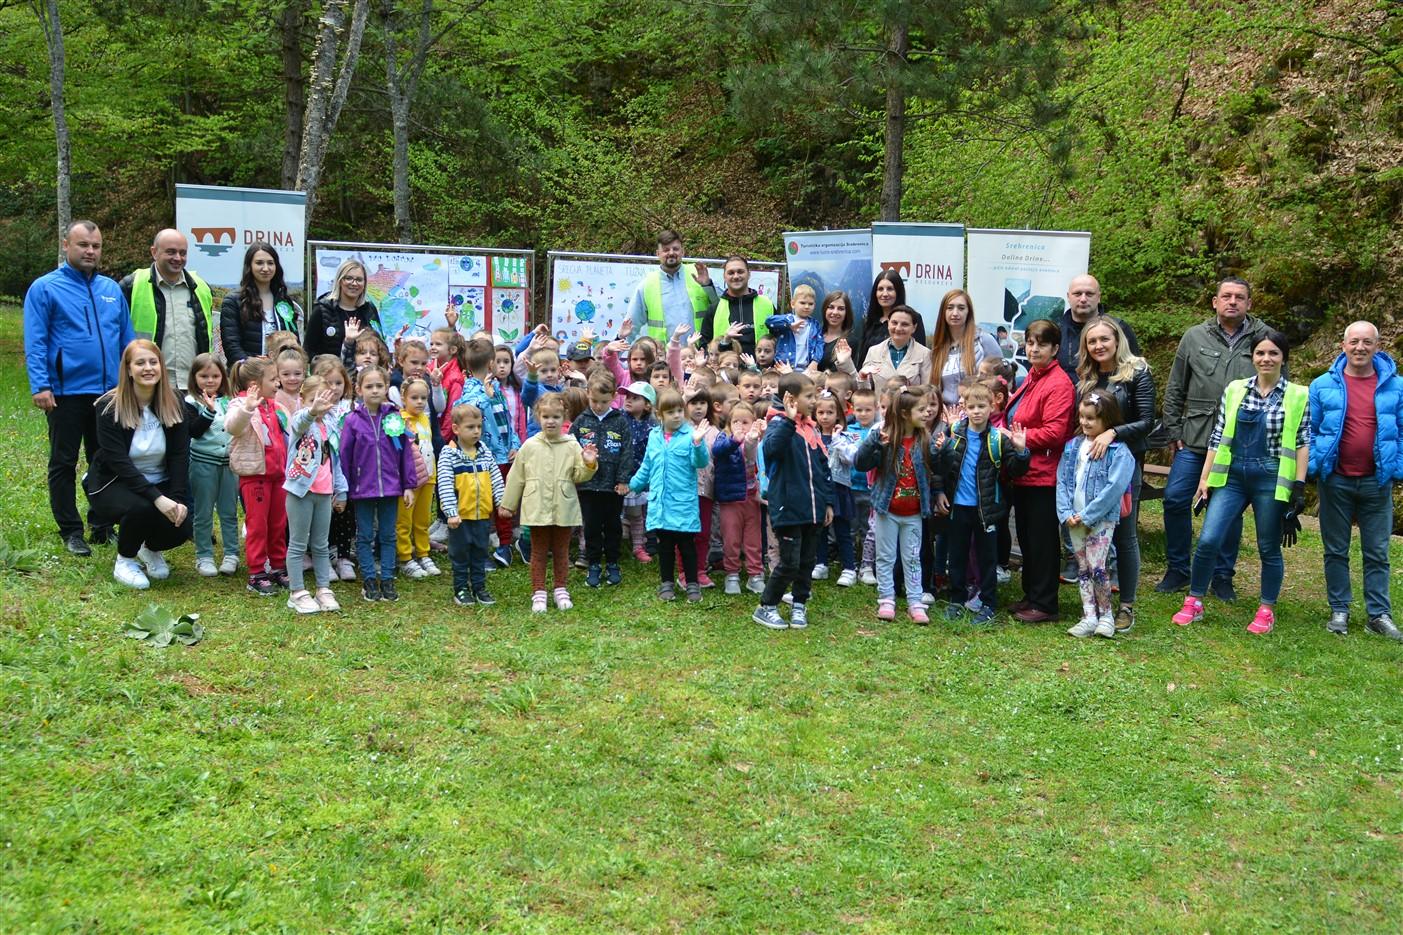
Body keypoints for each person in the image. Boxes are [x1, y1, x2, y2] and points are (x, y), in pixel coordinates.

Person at [1172, 331, 1310, 635]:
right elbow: (1218, 435)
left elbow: (1302, 442)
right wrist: (1205, 478)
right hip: (1232, 476)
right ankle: (1194, 600)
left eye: (1273, 353)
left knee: (1268, 546)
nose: (1266, 359)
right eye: (1260, 353)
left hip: (1271, 478)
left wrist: (1298, 487)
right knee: (1209, 539)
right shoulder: (1236, 389)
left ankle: (1266, 608)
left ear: (1283, 358)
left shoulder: (1298, 395)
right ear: (1252, 357)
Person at [23, 220, 136, 555]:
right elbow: (36, 341)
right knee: (64, 461)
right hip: (66, 391)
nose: (90, 251)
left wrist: (130, 382)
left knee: (106, 460)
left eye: (96, 246)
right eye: (83, 244)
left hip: (108, 393)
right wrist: (41, 384)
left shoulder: (111, 289)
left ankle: (102, 524)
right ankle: (71, 530)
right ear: (65, 245)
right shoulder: (45, 289)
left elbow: (126, 340)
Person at [1157, 278, 1271, 598]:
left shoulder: (1264, 338)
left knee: (1229, 510)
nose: (1232, 302)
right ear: (1214, 302)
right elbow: (1176, 385)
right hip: (1194, 436)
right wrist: (1173, 429)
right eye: (1226, 296)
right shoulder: (1194, 337)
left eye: (1239, 297)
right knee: (1176, 498)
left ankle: (1222, 575)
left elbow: (1279, 390)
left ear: (1249, 303)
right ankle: (1178, 568)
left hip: (1240, 443)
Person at [1308, 321, 1403, 641]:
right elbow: (1311, 430)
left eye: (1367, 342)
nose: (1360, 348)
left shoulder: (1396, 386)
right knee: (1335, 549)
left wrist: (1396, 467)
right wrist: (1315, 464)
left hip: (1377, 482)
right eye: (1354, 342)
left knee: (1377, 551)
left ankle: (1378, 614)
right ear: (1343, 345)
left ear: (1378, 345)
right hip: (1335, 480)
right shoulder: (1322, 385)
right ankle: (1340, 609)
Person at [84, 339, 193, 588]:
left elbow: (179, 454)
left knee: (183, 524)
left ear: (161, 367)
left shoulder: (174, 401)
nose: (148, 368)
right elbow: (118, 462)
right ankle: (125, 559)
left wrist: (176, 498)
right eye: (140, 363)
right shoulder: (108, 407)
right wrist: (158, 498)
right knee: (141, 507)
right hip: (115, 482)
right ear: (128, 369)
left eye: (153, 362)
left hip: (160, 479)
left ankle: (149, 548)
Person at [1075, 316, 1156, 632]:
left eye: (1104, 339)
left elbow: (1148, 421)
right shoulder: (1086, 378)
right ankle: (1096, 603)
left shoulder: (1137, 373)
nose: (1098, 346)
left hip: (1124, 465)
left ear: (1117, 339)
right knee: (1092, 531)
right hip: (1090, 465)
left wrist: (1113, 434)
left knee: (1124, 534)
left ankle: (1127, 606)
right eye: (1092, 341)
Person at [938, 382, 1029, 625]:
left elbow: (1015, 470)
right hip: (958, 506)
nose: (977, 411)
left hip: (986, 510)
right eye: (972, 406)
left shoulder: (998, 438)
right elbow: (942, 467)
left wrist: (1021, 452)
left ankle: (988, 603)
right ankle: (957, 600)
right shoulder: (954, 432)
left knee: (987, 558)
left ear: (992, 407)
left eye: (982, 406)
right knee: (956, 556)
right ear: (964, 408)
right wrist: (939, 493)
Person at [1006, 320, 1077, 622]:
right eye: (1030, 343)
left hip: (1044, 475)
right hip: (1024, 472)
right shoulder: (1032, 376)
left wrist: (1019, 439)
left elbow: (1056, 432)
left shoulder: (1058, 383)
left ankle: (1045, 603)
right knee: (1027, 537)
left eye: (1041, 344)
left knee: (1042, 541)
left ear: (1055, 349)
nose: (1033, 349)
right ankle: (1031, 595)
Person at [502, 392, 599, 613]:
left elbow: (579, 475)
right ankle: (539, 592)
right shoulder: (529, 445)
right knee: (538, 551)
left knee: (561, 551)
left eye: (556, 416)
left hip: (564, 507)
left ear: (564, 417)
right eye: (546, 416)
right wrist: (508, 504)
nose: (551, 421)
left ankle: (560, 588)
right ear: (538, 417)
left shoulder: (572, 445)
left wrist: (589, 464)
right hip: (537, 507)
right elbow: (517, 476)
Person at [855, 387, 944, 624]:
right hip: (888, 511)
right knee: (885, 557)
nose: (927, 413)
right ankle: (886, 599)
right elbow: (861, 463)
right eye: (922, 409)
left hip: (914, 512)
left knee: (913, 557)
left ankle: (915, 602)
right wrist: (873, 442)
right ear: (905, 413)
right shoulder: (886, 438)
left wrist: (943, 449)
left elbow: (938, 467)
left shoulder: (925, 439)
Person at [753, 373, 834, 631]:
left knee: (807, 562)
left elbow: (823, 468)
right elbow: (772, 450)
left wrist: (828, 503)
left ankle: (799, 604)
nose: (815, 401)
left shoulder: (810, 428)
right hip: (788, 509)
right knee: (789, 563)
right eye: (809, 396)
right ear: (790, 398)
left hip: (812, 511)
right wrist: (788, 419)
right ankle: (766, 606)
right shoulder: (778, 425)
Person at [1057, 392, 1135, 638]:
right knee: (1082, 567)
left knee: (1098, 567)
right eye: (1082, 417)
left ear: (1107, 419)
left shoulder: (1119, 451)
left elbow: (1114, 488)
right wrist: (1066, 512)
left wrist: (1089, 515)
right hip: (1074, 518)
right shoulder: (1073, 446)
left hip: (1100, 520)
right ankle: (1089, 615)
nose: (1085, 423)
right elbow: (1062, 480)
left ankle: (1107, 616)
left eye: (1091, 418)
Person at [340, 365, 419, 603]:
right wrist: (344, 489)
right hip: (362, 490)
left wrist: (408, 485)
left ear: (387, 388)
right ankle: (369, 580)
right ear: (359, 389)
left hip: (391, 487)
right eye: (369, 386)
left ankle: (386, 578)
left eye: (379, 386)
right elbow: (345, 456)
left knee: (387, 535)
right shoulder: (353, 421)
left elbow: (404, 453)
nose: (374, 391)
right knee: (364, 535)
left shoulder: (394, 418)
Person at [628, 388, 709, 602]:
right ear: (659, 414)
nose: (677, 415)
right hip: (661, 504)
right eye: (671, 412)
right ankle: (667, 583)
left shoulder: (691, 434)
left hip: (683, 505)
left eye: (680, 410)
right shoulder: (654, 436)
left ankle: (692, 584)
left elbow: (700, 462)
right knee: (665, 547)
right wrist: (633, 484)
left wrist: (698, 443)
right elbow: (647, 465)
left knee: (686, 546)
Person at [224, 357, 291, 596]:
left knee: (278, 523)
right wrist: (247, 407)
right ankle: (256, 571)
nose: (278, 384)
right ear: (254, 384)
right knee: (257, 525)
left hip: (277, 475)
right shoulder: (240, 404)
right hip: (255, 477)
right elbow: (232, 427)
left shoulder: (272, 405)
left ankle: (277, 565)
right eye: (273, 379)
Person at [282, 377, 347, 614]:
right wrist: (312, 410)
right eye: (313, 400)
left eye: (325, 401)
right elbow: (300, 422)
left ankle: (323, 588)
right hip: (300, 492)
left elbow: (335, 462)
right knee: (298, 543)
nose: (320, 406)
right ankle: (297, 592)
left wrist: (341, 490)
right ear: (303, 400)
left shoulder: (330, 426)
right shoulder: (301, 420)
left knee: (320, 544)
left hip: (324, 493)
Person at [120, 229, 214, 391]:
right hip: (148, 385)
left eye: (182, 253)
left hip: (192, 386)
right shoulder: (131, 285)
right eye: (171, 252)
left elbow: (206, 336)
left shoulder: (201, 287)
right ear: (154, 252)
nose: (178, 258)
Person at [571, 372, 636, 588]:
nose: (599, 406)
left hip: (613, 487)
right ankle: (594, 564)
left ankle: (613, 563)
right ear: (587, 394)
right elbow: (571, 450)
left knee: (613, 526)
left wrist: (624, 480)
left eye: (604, 402)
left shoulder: (621, 421)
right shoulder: (581, 421)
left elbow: (627, 452)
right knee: (591, 527)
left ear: (614, 397)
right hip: (588, 486)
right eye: (594, 401)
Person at [437, 403, 505, 607]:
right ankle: (460, 588)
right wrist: (450, 512)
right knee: (460, 554)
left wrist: (502, 502)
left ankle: (479, 586)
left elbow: (496, 479)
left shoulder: (484, 452)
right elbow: (445, 485)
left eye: (478, 426)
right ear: (456, 429)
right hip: (460, 517)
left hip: (483, 515)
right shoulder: (449, 455)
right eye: (470, 427)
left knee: (480, 552)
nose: (476, 431)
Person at [184, 354, 240, 577]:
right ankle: (204, 556)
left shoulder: (230, 400)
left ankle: (231, 554)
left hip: (228, 464)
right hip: (202, 463)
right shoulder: (190, 402)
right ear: (194, 377)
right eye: (204, 376)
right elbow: (194, 431)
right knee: (203, 511)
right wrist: (208, 411)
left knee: (229, 510)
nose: (210, 380)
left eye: (215, 375)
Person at [713, 402, 766, 595]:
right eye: (736, 421)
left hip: (752, 497)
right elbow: (718, 451)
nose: (740, 426)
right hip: (730, 499)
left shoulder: (755, 440)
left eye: (745, 421)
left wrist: (754, 437)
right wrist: (734, 440)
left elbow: (751, 453)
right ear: (729, 422)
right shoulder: (724, 438)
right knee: (731, 539)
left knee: (754, 539)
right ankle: (732, 574)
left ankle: (755, 574)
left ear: (753, 422)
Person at [628, 230, 717, 343]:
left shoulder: (699, 274)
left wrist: (707, 285)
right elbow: (631, 325)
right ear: (657, 254)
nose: (671, 253)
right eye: (666, 250)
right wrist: (612, 354)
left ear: (682, 252)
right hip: (664, 356)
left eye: (675, 249)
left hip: (698, 354)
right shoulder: (647, 284)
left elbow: (721, 306)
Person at [219, 242, 301, 363]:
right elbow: (232, 346)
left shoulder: (284, 302)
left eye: (270, 263)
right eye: (259, 263)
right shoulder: (233, 302)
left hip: (280, 375)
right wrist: (253, 366)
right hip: (248, 374)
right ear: (249, 266)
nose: (266, 268)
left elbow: (294, 343)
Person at [928, 288, 1003, 421]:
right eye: (950, 308)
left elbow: (1001, 381)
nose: (955, 313)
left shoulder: (984, 340)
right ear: (943, 312)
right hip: (945, 421)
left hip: (978, 419)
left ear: (968, 312)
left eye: (961, 308)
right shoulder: (937, 349)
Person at [1055, 274, 1141, 378]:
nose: (1083, 299)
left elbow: (1136, 371)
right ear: (1068, 297)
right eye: (1077, 294)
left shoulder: (1119, 328)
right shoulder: (1056, 332)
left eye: (1089, 294)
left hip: (1109, 392)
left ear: (1099, 297)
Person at [395, 377, 439, 579]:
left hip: (429, 476)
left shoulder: (424, 418)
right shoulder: (399, 419)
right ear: (404, 398)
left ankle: (423, 552)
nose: (420, 402)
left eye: (423, 397)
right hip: (409, 480)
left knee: (423, 519)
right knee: (404, 519)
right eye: (414, 397)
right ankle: (405, 556)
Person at [842, 306, 931, 399]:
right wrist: (848, 364)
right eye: (894, 323)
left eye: (904, 324)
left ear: (914, 328)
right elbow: (865, 392)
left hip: (910, 411)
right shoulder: (874, 351)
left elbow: (927, 392)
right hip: (880, 411)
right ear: (888, 323)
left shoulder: (925, 354)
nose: (898, 328)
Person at [305, 260, 381, 359]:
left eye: (359, 279)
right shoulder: (322, 310)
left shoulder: (369, 310)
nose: (354, 283)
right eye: (348, 278)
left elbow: (380, 345)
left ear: (364, 284)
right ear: (340, 281)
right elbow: (309, 351)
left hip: (364, 372)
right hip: (329, 372)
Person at [700, 255, 773, 358]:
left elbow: (779, 340)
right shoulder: (714, 309)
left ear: (749, 274)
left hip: (760, 371)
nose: (735, 276)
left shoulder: (767, 305)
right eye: (731, 273)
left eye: (740, 271)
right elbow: (703, 346)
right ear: (724, 277)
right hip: (725, 370)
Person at [852, 270, 927, 369]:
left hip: (905, 380)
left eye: (890, 289)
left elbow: (920, 356)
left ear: (898, 291)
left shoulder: (913, 318)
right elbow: (862, 360)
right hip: (872, 381)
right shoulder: (868, 322)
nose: (885, 294)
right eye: (880, 289)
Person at [766, 284, 825, 370]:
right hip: (783, 366)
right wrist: (788, 326)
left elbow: (820, 344)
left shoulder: (815, 325)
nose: (806, 306)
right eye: (802, 303)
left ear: (814, 306)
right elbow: (769, 321)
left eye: (810, 304)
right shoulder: (788, 319)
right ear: (793, 304)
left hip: (805, 368)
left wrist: (815, 361)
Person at [816, 291, 854, 372]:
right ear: (825, 309)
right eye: (831, 307)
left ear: (846, 313)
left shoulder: (850, 342)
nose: (835, 312)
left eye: (841, 309)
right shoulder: (814, 335)